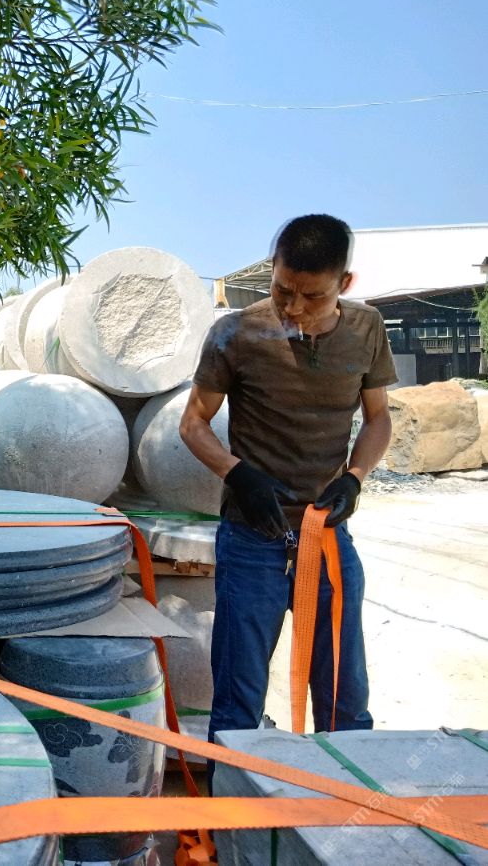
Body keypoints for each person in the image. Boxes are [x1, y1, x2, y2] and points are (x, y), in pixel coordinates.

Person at [178, 213, 396, 757]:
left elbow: (378, 419)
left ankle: (342, 803)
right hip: (252, 537)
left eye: (312, 296)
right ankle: (234, 805)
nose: (293, 307)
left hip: (327, 538)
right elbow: (193, 422)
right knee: (238, 702)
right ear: (272, 270)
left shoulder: (367, 329)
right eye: (282, 289)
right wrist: (237, 473)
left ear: (345, 283)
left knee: (345, 699)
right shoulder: (235, 333)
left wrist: (354, 478)